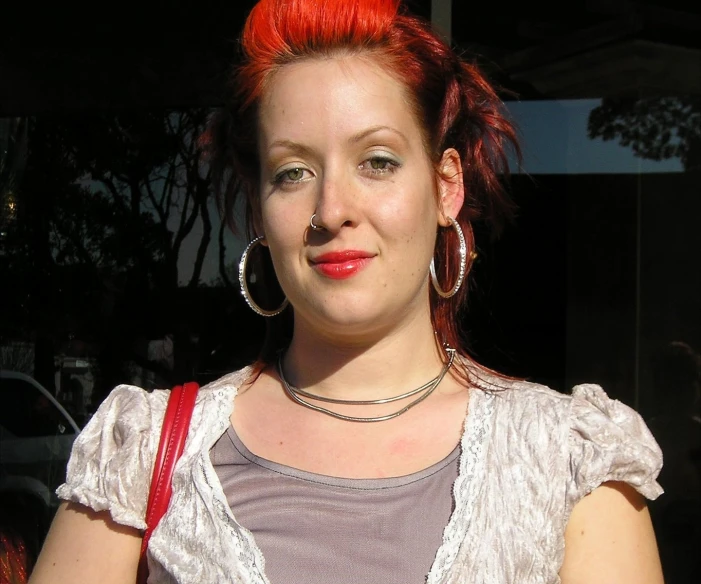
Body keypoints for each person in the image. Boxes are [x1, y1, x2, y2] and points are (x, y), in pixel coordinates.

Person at [28, 1, 665, 582]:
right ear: (259, 209)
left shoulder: (570, 462)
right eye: (293, 171)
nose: (332, 209)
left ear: (446, 187)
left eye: (378, 161)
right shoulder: (141, 457)